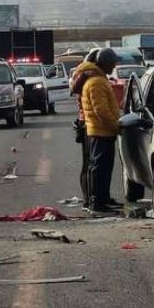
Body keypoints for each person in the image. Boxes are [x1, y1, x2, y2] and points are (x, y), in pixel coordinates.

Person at [80, 48, 122, 217]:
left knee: (104, 168)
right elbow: (101, 110)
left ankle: (104, 199)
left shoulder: (99, 79)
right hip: (100, 132)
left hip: (102, 131)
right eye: (112, 63)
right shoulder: (96, 82)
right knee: (99, 168)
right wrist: (116, 126)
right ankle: (98, 202)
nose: (114, 66)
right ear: (105, 64)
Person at [70, 50, 98, 211]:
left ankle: (90, 198)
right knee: (89, 163)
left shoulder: (83, 72)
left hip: (84, 120)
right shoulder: (87, 74)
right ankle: (89, 199)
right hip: (86, 122)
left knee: (88, 162)